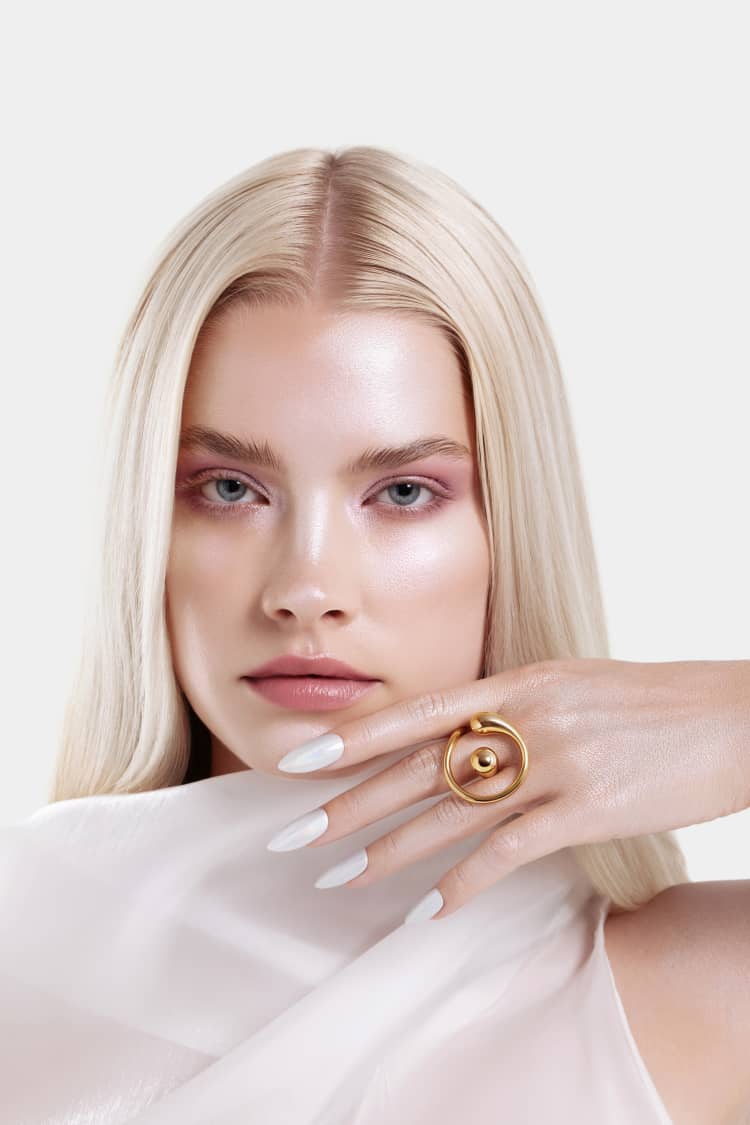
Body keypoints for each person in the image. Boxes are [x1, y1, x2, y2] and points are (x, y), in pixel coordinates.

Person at [1, 146, 748, 1124]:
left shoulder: (702, 993)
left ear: (509, 527)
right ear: (144, 522)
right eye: (228, 487)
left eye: (401, 492)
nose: (306, 588)